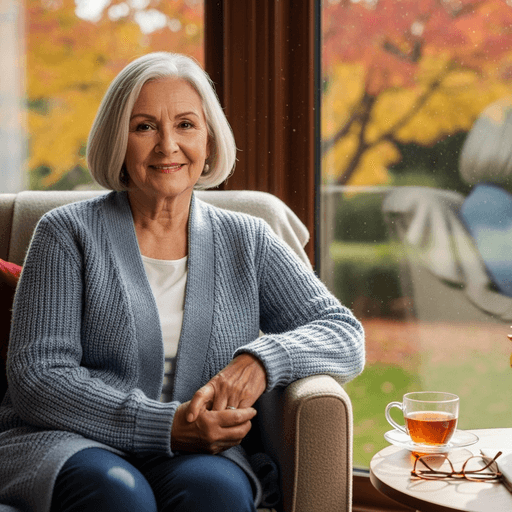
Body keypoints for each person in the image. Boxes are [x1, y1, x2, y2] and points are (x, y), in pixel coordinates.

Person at [0, 52, 365, 512]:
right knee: (117, 492)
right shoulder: (65, 233)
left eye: (186, 125)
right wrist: (166, 426)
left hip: (199, 453)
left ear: (209, 141)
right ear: (119, 141)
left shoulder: (247, 239)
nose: (167, 145)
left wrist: (261, 360)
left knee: (216, 494)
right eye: (145, 126)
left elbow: (343, 332)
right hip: (71, 442)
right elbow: (38, 377)